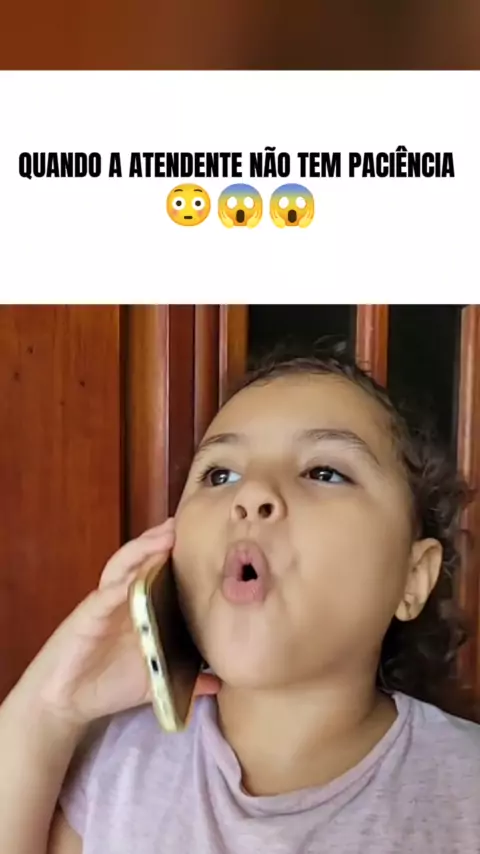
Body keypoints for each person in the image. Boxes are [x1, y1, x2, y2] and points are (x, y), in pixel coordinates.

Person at [1, 350, 480, 854]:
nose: (251, 494)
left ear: (413, 577)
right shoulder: (115, 765)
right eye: (219, 476)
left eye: (323, 473)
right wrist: (49, 709)